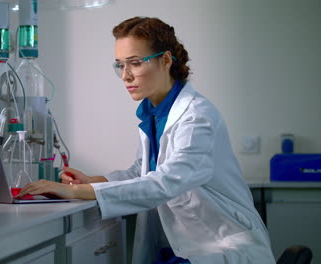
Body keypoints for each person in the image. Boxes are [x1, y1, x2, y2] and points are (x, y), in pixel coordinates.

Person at [16, 16, 275, 264]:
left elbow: (166, 183)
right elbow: (141, 172)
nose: (126, 76)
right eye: (120, 65)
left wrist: (75, 192)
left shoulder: (196, 118)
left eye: (135, 63)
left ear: (165, 61)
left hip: (221, 247)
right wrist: (93, 181)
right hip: (181, 247)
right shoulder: (153, 111)